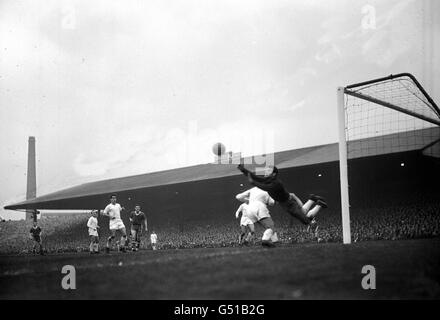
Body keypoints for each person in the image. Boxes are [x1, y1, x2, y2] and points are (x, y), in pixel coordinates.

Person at [237, 164, 327, 235]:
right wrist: (244, 170)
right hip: (285, 203)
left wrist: (254, 183)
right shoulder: (269, 179)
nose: (266, 171)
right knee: (303, 213)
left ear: (274, 174)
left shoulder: (276, 183)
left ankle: (316, 205)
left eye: (269, 170)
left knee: (304, 219)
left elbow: (265, 187)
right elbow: (255, 177)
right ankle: (312, 199)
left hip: (289, 204)